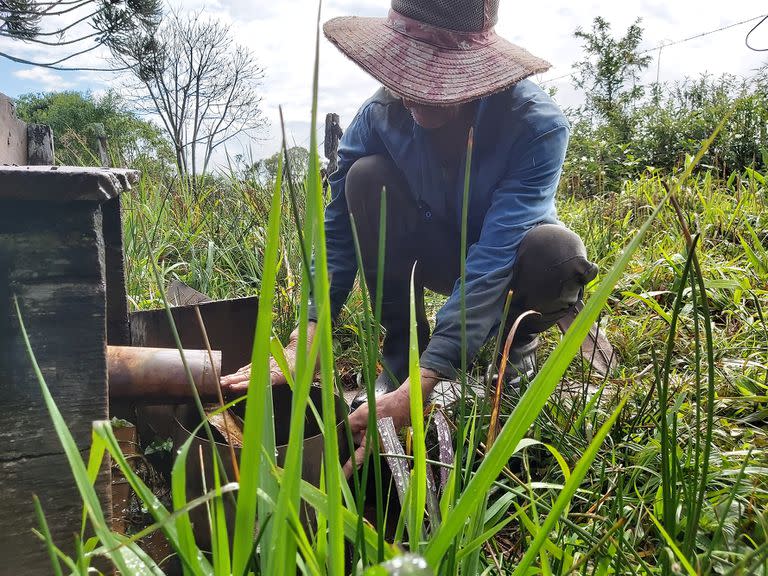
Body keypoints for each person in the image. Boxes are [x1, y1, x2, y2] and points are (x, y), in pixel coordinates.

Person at [221, 0, 598, 453]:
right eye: (407, 77)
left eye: (439, 81)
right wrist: (307, 335)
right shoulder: (379, 116)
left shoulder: (535, 126)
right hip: (431, 248)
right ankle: (400, 360)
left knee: (555, 252)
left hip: (511, 264)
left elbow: (494, 256)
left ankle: (512, 364)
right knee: (364, 179)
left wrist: (433, 375)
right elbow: (337, 228)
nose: (415, 96)